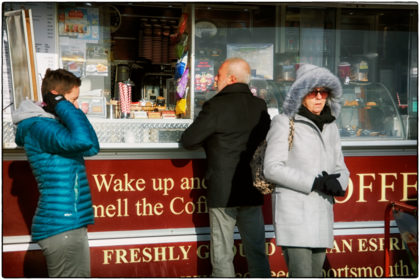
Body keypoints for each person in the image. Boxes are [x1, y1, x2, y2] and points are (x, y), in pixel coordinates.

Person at [180, 57, 271, 277]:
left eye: (218, 75)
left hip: (223, 191)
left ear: (231, 78)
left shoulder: (215, 105)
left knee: (222, 257)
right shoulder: (260, 106)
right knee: (257, 251)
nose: (215, 79)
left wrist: (210, 140)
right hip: (252, 188)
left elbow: (189, 140)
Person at [263, 63, 350, 277]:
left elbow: (341, 166)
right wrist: (314, 182)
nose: (319, 97)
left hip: (322, 213)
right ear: (301, 94)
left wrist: (340, 183)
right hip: (295, 215)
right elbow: (272, 168)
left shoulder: (331, 126)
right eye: (313, 92)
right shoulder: (284, 123)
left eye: (324, 92)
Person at [12, 68, 99, 277]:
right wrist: (62, 105)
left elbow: (92, 147)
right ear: (56, 97)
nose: (76, 106)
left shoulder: (51, 125)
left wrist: (69, 108)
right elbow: (82, 140)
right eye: (73, 100)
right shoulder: (39, 126)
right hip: (62, 224)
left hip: (68, 223)